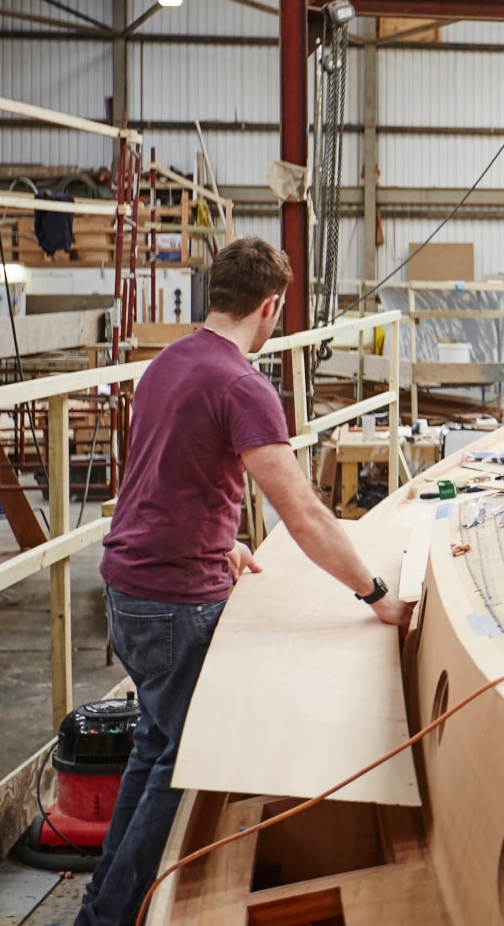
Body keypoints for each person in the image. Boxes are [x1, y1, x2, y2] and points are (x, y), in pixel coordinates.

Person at [76, 239, 410, 926]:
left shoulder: (168, 362)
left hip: (125, 587)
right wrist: (377, 593)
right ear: (270, 306)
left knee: (154, 743)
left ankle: (97, 902)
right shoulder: (241, 384)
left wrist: (218, 537)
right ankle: (108, 918)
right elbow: (304, 513)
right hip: (174, 603)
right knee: (184, 765)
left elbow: (165, 471)